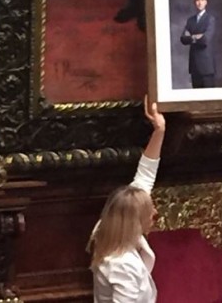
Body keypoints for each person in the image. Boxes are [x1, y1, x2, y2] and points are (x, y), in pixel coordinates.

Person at [89, 95, 165, 303]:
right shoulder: (122, 265)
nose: (154, 214)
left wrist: (159, 130)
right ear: (134, 221)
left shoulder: (108, 228)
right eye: (149, 212)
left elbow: (145, 175)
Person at [180, 0, 216, 88]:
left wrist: (191, 37)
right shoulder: (190, 20)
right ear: (194, 2)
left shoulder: (210, 19)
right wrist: (196, 36)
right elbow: (183, 39)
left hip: (206, 68)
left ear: (206, 2)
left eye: (202, 0)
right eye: (197, 0)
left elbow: (205, 40)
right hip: (194, 66)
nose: (200, 3)